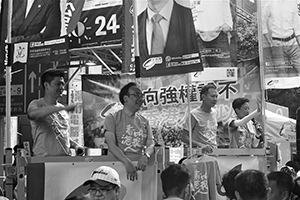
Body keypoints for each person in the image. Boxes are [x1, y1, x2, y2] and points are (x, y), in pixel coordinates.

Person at [104, 82, 155, 181]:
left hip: (138, 169)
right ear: (125, 98)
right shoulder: (112, 118)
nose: (140, 98)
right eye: (136, 95)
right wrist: (127, 163)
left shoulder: (144, 121)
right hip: (116, 167)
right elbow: (111, 146)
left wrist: (146, 156)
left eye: (141, 95)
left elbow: (151, 145)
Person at [27, 69, 79, 156]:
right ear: (46, 85)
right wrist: (57, 108)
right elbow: (31, 114)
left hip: (65, 160)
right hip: (44, 161)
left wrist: (75, 145)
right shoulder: (37, 104)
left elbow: (61, 134)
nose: (61, 87)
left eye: (62, 84)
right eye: (58, 84)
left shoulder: (62, 108)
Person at [262, 0, 300, 77]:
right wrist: (269, 41)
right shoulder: (270, 3)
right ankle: (285, 89)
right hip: (277, 44)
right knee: (281, 74)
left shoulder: (292, 3)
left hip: (292, 43)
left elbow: (297, 27)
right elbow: (261, 19)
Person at [193, 0, 233, 67]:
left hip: (219, 34)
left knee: (222, 73)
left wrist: (228, 23)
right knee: (199, 75)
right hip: (197, 36)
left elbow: (225, 3)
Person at [181, 84, 218, 153]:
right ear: (203, 97)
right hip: (200, 154)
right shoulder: (194, 114)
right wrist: (200, 145)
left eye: (216, 96)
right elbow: (184, 137)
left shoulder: (215, 112)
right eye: (212, 96)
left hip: (214, 153)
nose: (215, 99)